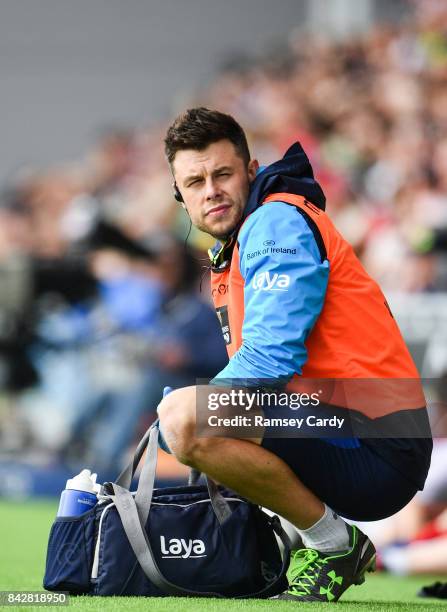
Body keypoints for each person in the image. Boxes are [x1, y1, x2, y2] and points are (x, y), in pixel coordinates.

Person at [157, 107, 432, 602]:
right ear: (181, 197)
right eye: (195, 182)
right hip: (353, 427)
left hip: (377, 438)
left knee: (185, 419)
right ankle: (302, 541)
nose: (211, 190)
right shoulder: (241, 243)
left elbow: (270, 358)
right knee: (192, 417)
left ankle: (333, 545)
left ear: (251, 170)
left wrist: (191, 418)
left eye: (222, 174)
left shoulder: (274, 222)